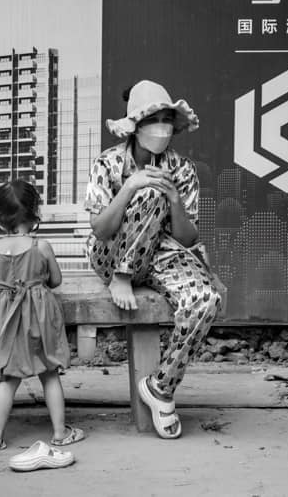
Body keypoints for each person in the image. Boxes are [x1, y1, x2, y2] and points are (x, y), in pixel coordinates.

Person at [84, 79, 224, 439]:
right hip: (110, 254)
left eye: (166, 118)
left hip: (160, 251)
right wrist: (131, 186)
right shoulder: (108, 163)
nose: (161, 126)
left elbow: (188, 238)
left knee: (206, 299)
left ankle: (161, 388)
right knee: (147, 191)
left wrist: (175, 200)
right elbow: (100, 229)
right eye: (153, 118)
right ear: (135, 125)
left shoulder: (183, 168)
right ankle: (123, 275)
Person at [0, 179, 84, 456]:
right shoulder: (41, 247)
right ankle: (60, 434)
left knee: (7, 380)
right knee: (49, 374)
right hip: (39, 319)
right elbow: (56, 281)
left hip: (7, 323)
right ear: (35, 215)